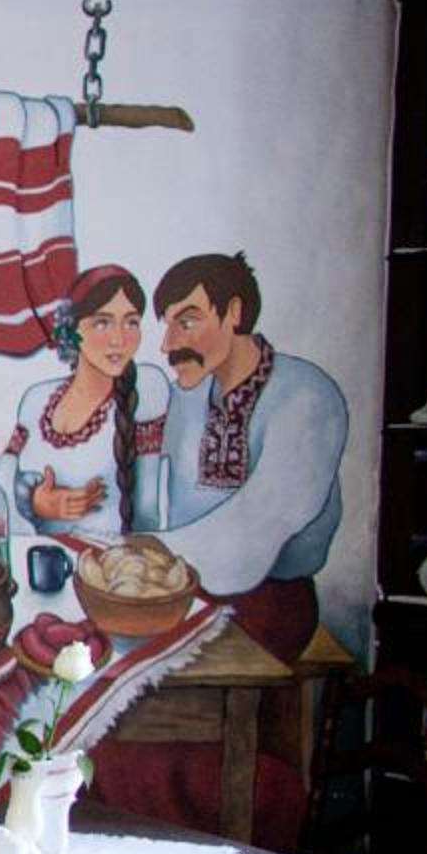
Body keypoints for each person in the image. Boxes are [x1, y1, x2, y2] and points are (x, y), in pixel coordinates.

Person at [149, 250, 346, 657]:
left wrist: (150, 556)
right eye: (169, 326)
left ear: (234, 312)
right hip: (184, 590)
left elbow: (263, 524)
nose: (169, 344)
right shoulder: (188, 395)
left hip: (270, 606)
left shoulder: (305, 395)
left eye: (187, 322)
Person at [0, 264, 168, 542]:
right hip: (39, 557)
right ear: (71, 329)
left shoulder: (146, 389)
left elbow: (148, 511)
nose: (119, 338)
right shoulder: (35, 400)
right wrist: (33, 501)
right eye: (103, 322)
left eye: (131, 322)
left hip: (113, 562)